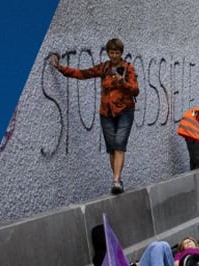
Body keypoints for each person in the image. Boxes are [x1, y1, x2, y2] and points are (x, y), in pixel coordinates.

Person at [49, 38, 140, 194]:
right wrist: (60, 68)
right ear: (108, 53)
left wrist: (122, 82)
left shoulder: (128, 69)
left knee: (119, 144)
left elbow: (135, 90)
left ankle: (116, 180)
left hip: (125, 111)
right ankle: (117, 179)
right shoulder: (104, 68)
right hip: (106, 112)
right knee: (112, 148)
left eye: (117, 52)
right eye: (111, 52)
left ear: (121, 53)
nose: (114, 55)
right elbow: (83, 74)